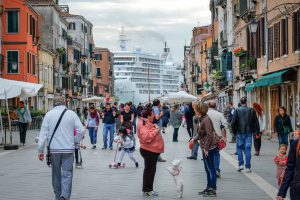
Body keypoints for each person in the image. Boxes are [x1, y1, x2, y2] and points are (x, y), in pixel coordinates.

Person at [38, 96, 84, 200]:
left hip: (54, 150)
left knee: (56, 174)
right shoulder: (72, 114)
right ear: (65, 103)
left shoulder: (48, 115)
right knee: (67, 173)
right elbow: (81, 130)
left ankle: (57, 196)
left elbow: (43, 134)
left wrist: (40, 150)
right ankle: (65, 196)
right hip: (68, 149)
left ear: (53, 103)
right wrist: (74, 141)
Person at [191, 101, 220, 197]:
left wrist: (206, 148)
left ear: (199, 110)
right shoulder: (202, 118)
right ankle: (208, 187)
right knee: (207, 169)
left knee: (211, 169)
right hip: (205, 147)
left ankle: (213, 189)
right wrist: (194, 139)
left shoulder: (206, 120)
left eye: (195, 108)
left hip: (210, 148)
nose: (194, 110)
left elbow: (210, 135)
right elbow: (201, 133)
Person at [137, 104, 164, 197]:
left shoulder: (146, 122)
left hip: (151, 150)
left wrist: (154, 126)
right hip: (149, 150)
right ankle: (147, 190)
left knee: (150, 170)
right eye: (152, 115)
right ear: (148, 116)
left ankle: (148, 189)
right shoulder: (143, 123)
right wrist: (156, 131)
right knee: (149, 171)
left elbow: (148, 132)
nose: (154, 116)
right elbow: (147, 137)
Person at [231, 97, 259, 173]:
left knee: (239, 148)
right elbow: (256, 122)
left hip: (239, 132)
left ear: (240, 102)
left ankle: (240, 165)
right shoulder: (251, 110)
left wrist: (234, 132)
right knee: (248, 149)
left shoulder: (237, 110)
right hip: (249, 132)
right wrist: (258, 132)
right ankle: (248, 167)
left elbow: (233, 123)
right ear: (246, 102)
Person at [207, 100, 227, 178]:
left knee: (208, 153)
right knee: (216, 153)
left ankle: (210, 169)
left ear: (208, 106)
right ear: (215, 106)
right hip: (217, 137)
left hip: (207, 137)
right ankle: (216, 169)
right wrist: (224, 137)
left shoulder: (205, 114)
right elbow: (225, 125)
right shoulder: (220, 114)